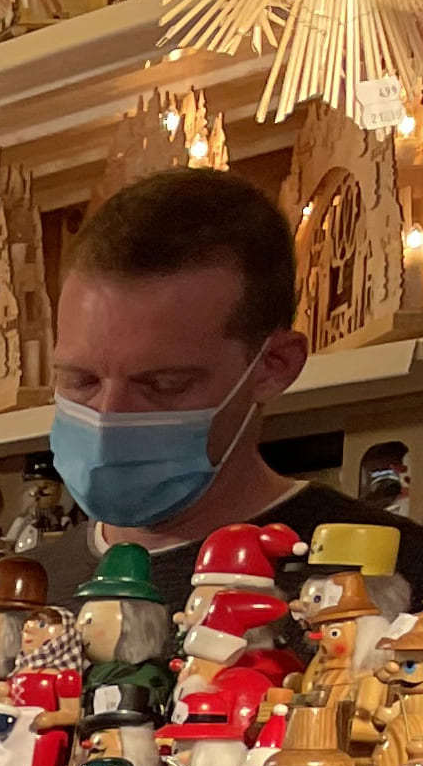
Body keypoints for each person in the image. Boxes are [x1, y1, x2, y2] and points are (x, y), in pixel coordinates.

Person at [51, 168, 397, 609]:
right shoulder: (19, 590)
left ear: (274, 366)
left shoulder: (395, 581)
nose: (107, 418)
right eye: (80, 380)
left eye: (163, 384)